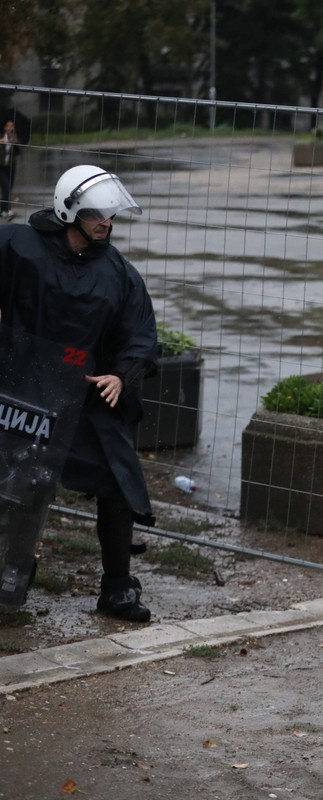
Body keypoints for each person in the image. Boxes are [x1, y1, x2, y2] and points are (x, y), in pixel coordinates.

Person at [0, 165, 158, 621]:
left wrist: (122, 376)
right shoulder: (17, 247)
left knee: (117, 481)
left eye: (111, 214)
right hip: (19, 388)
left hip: (84, 396)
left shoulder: (118, 274)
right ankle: (13, 569)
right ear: (70, 211)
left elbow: (141, 335)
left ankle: (117, 588)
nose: (106, 222)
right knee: (16, 476)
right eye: (96, 214)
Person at [0, 120, 18, 221]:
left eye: (12, 126)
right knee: (6, 187)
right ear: (4, 127)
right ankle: (8, 210)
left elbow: (19, 152)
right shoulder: (1, 136)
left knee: (8, 189)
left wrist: (16, 142)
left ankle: (3, 210)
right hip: (1, 167)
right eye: (8, 125)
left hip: (11, 167)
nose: (10, 127)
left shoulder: (14, 137)